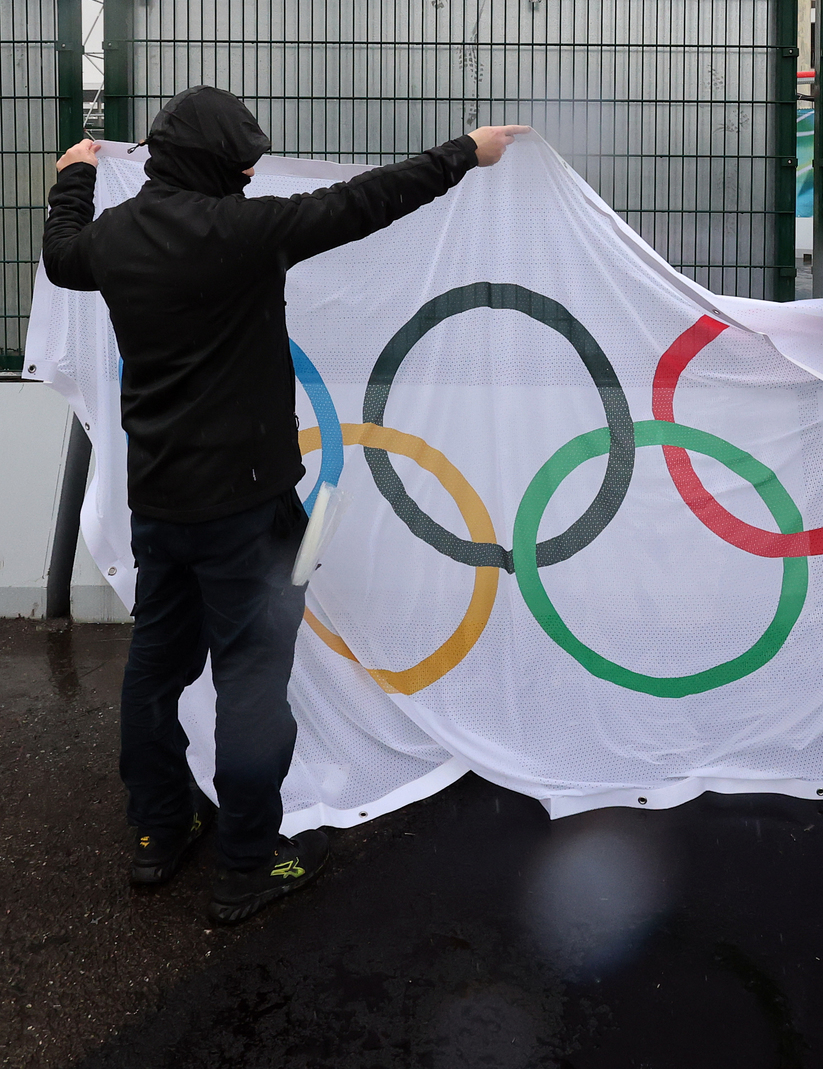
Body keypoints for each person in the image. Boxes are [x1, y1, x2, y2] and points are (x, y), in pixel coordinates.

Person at [41, 86, 527, 925]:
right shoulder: (242, 232)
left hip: (160, 508)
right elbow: (368, 200)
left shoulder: (113, 240)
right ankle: (247, 862)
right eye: (242, 161)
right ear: (213, 164)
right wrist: (464, 151)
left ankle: (157, 835)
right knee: (253, 679)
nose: (252, 171)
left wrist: (73, 177)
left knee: (156, 670)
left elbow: (61, 254)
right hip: (249, 514)